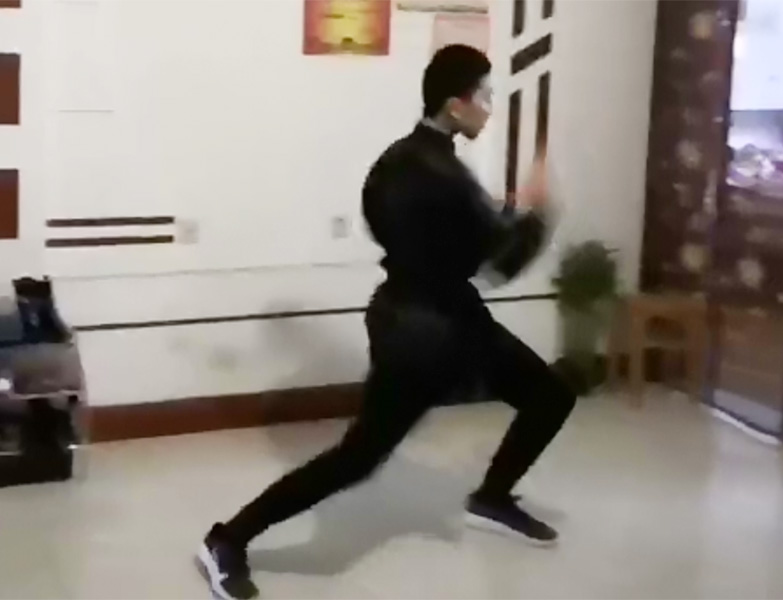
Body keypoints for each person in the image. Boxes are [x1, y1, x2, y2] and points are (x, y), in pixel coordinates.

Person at [197, 44, 576, 600]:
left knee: (549, 394)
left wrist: (487, 218)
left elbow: (414, 227)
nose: (489, 108)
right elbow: (503, 264)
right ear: (456, 104)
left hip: (433, 315)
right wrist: (540, 212)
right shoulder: (447, 176)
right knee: (357, 458)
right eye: (485, 96)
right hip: (425, 335)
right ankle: (226, 540)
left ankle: (491, 498)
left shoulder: (398, 160)